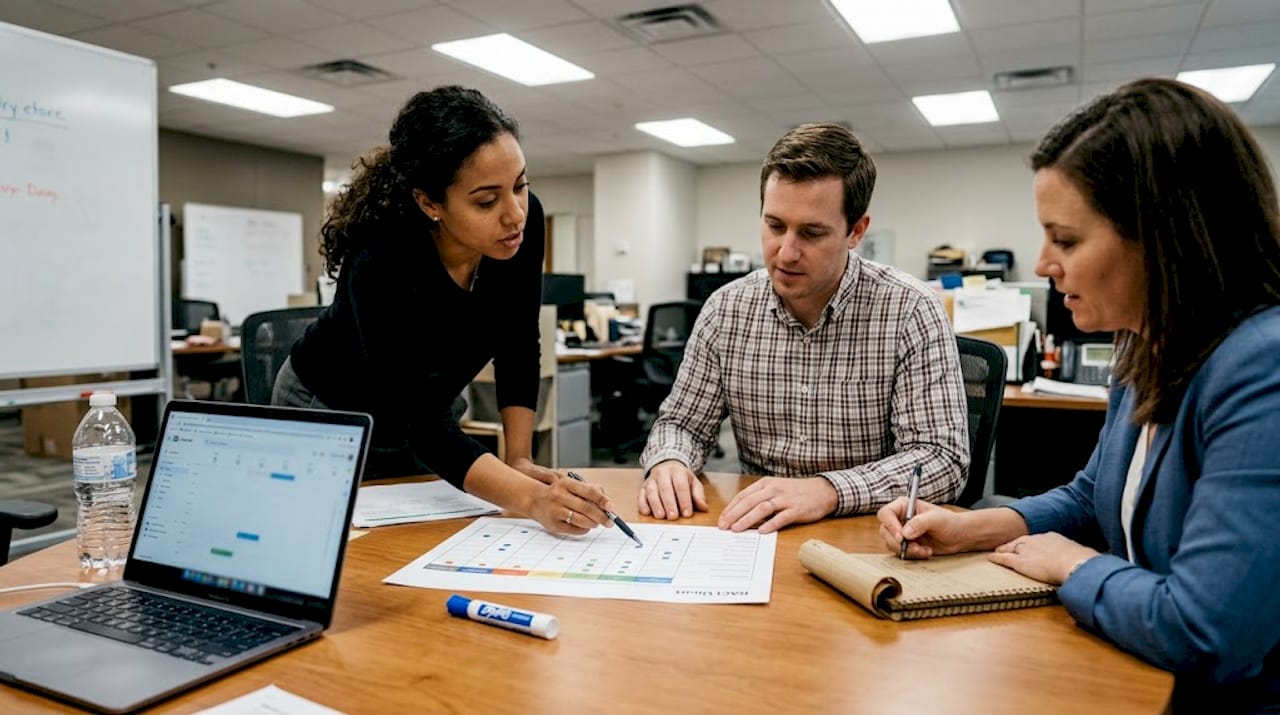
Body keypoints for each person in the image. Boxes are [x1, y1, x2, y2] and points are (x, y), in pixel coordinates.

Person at [878, 78, 1280, 712]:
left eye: (1064, 239)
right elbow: (1096, 495)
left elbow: (1205, 633)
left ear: (1165, 236)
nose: (1042, 264)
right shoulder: (1144, 345)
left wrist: (1072, 566)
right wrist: (973, 528)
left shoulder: (1263, 365)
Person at [274, 86, 614, 537]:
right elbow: (415, 415)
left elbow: (517, 340)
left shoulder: (520, 227)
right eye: (486, 201)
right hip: (333, 404)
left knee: (432, 538)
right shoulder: (381, 257)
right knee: (345, 548)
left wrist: (519, 461)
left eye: (520, 185)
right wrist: (531, 499)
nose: (515, 214)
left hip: (426, 411)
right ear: (430, 203)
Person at [638, 122, 970, 534]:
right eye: (775, 226)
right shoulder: (726, 310)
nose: (786, 252)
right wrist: (670, 460)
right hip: (754, 530)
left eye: (812, 233)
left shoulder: (910, 310)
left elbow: (942, 460)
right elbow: (682, 424)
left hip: (863, 534)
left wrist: (828, 491)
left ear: (856, 231)